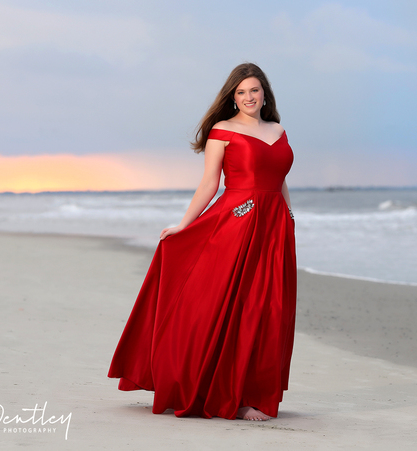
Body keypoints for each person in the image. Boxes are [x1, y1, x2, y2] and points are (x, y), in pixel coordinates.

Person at [108, 63, 296, 422]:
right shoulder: (222, 131)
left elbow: (279, 178)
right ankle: (232, 397)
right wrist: (183, 226)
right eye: (240, 92)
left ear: (265, 92)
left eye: (253, 90)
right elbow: (209, 184)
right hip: (238, 222)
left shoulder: (279, 130)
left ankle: (253, 392)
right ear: (232, 96)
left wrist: (289, 216)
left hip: (275, 229)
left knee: (268, 310)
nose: (248, 97)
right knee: (236, 307)